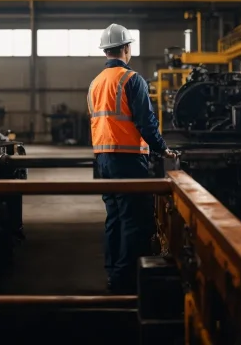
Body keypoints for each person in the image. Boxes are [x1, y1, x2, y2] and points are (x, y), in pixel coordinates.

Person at [88, 23, 176, 294]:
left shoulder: (96, 83)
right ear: (126, 49)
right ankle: (126, 278)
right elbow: (146, 122)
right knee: (132, 218)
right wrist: (162, 148)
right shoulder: (131, 79)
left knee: (113, 216)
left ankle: (114, 271)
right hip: (127, 157)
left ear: (106, 51)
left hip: (103, 159)